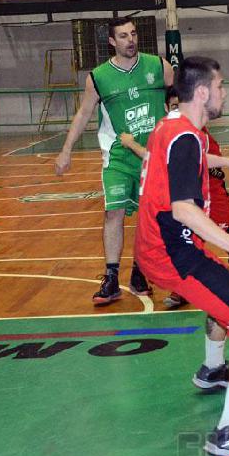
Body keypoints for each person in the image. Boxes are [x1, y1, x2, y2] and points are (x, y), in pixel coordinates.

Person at [119, 57, 229, 456]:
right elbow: (184, 209)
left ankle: (212, 370)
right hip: (173, 250)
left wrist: (228, 162)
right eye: (222, 86)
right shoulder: (188, 137)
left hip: (160, 245)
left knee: (223, 294)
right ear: (205, 92)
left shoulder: (171, 126)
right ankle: (228, 434)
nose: (225, 93)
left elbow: (180, 166)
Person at [54, 17, 174, 305]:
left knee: (152, 220)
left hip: (153, 157)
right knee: (113, 213)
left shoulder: (158, 66)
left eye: (133, 33)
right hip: (118, 156)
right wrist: (66, 150)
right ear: (112, 41)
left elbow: (179, 97)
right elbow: (83, 114)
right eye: (123, 36)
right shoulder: (98, 77)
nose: (130, 39)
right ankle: (111, 278)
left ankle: (140, 271)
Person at [160, 87, 229, 311]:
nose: (179, 111)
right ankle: (183, 285)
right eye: (174, 107)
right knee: (188, 240)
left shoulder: (201, 137)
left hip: (210, 192)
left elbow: (209, 170)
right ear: (167, 109)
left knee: (224, 227)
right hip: (184, 197)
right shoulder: (164, 133)